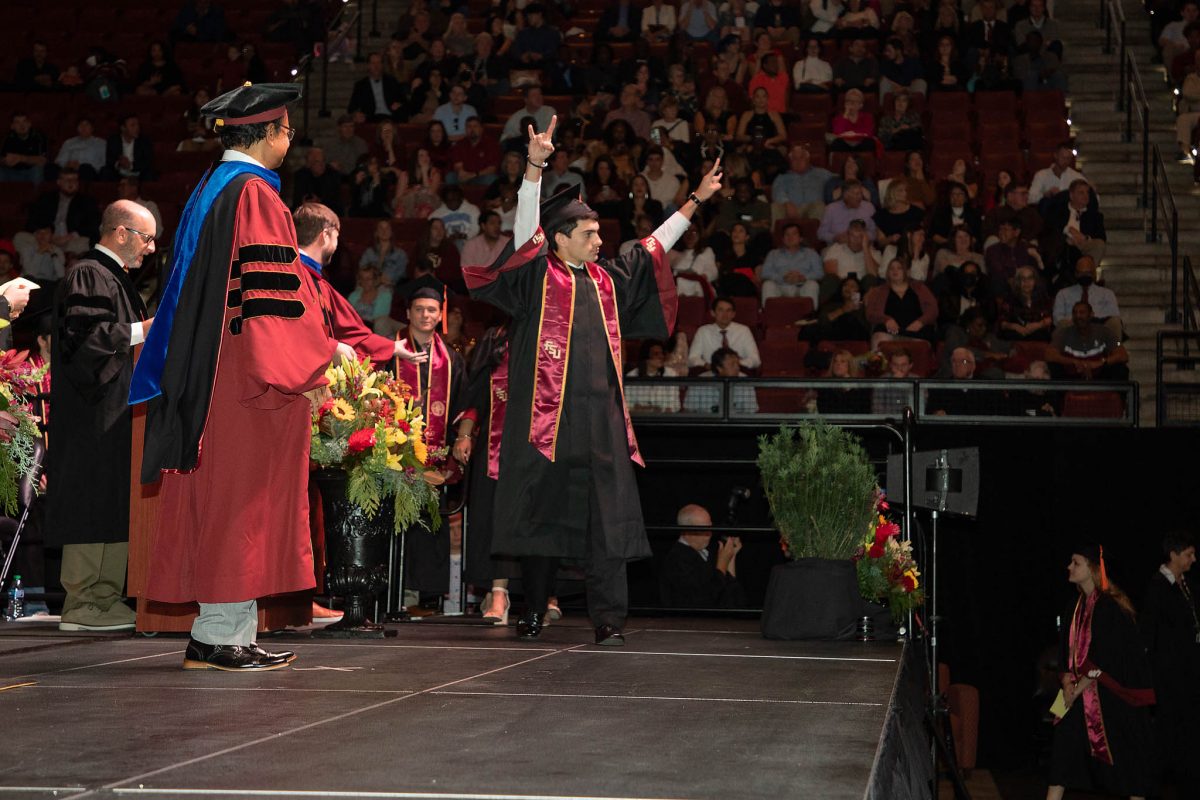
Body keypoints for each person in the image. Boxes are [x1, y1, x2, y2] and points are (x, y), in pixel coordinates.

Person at [462, 115, 723, 645]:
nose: (599, 239)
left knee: (608, 526)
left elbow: (652, 247)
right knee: (540, 523)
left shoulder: (608, 280)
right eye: (588, 233)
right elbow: (524, 232)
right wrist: (535, 166)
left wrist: (694, 200)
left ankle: (609, 619)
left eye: (599, 232)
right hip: (545, 424)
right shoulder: (538, 275)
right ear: (558, 240)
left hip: (601, 423)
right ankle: (533, 609)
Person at [132, 83, 337, 672]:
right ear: (268, 133)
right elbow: (270, 299)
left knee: (224, 501)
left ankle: (222, 632)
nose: (290, 139)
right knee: (238, 504)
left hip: (213, 371)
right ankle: (221, 636)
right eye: (288, 129)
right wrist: (311, 362)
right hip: (247, 379)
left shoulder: (211, 188)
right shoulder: (254, 196)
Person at [47, 201, 156, 633]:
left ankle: (106, 598)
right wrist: (144, 330)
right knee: (93, 500)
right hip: (91, 414)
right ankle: (82, 602)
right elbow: (84, 340)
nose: (150, 249)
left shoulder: (117, 279)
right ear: (121, 232)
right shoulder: (88, 274)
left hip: (117, 411)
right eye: (146, 238)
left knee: (114, 500)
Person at [1047, 544, 1158, 800]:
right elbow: (1065, 652)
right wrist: (1066, 683)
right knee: (1061, 750)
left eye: (1075, 562)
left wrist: (1076, 691)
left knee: (1128, 760)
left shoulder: (1109, 608)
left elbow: (1105, 658)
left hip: (1109, 694)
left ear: (1092, 568)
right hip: (1074, 689)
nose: (1069, 567)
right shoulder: (1073, 607)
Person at [393, 287, 468, 612]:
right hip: (392, 458)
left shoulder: (451, 360)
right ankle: (394, 590)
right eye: (419, 309)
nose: (426, 315)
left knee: (429, 521)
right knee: (394, 523)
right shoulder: (390, 352)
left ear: (440, 315)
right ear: (408, 313)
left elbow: (465, 405)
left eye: (432, 310)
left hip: (435, 458)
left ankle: (426, 594)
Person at [1139, 531, 1200, 797]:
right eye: (1188, 554)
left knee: (1186, 734)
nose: (1193, 559)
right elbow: (1149, 636)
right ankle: (1149, 786)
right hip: (1169, 680)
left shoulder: (1185, 585)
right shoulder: (1157, 587)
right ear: (1173, 555)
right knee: (1168, 735)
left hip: (1187, 677)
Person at [660, 504, 746, 608]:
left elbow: (733, 600)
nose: (709, 533)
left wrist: (731, 557)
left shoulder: (709, 551)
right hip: (689, 623)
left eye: (710, 527)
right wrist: (721, 566)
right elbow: (703, 601)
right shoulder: (676, 559)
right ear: (686, 532)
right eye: (703, 528)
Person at [1045, 301, 1130, 381]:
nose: (1078, 316)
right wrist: (1074, 362)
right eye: (1075, 313)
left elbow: (1122, 354)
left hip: (1099, 373)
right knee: (1053, 367)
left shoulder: (1106, 332)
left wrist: (1099, 363)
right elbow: (1049, 354)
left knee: (1120, 369)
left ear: (1091, 315)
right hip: (1071, 374)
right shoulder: (1063, 333)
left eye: (1082, 312)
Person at [865, 258, 938, 349]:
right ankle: (877, 363)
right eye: (891, 268)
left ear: (906, 272)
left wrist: (920, 322)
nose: (895, 271)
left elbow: (933, 309)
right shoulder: (878, 291)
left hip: (917, 330)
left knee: (925, 341)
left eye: (899, 268)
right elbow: (870, 313)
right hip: (890, 331)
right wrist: (886, 319)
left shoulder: (919, 287)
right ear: (887, 272)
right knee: (878, 337)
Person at [1052, 256, 1122, 342]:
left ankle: (1115, 352)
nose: (1084, 276)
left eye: (1088, 273)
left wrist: (1091, 320)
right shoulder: (1063, 294)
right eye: (1081, 273)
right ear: (1076, 273)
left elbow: (1114, 315)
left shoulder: (1107, 294)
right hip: (1072, 327)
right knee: (1062, 324)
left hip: (1098, 327)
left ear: (1094, 273)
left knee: (1115, 322)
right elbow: (1057, 318)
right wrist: (1079, 320)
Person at [689, 295, 761, 369]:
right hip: (710, 373)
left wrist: (734, 364)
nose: (725, 314)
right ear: (712, 313)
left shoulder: (743, 330)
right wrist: (706, 365)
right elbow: (692, 359)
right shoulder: (703, 331)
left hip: (737, 374)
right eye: (720, 310)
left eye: (728, 310)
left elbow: (756, 360)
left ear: (733, 314)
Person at [760, 222, 822, 305]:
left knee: (812, 285)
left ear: (800, 238)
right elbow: (765, 273)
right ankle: (769, 315)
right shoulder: (773, 254)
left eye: (794, 234)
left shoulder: (811, 253)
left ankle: (810, 316)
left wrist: (803, 278)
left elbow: (819, 273)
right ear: (782, 239)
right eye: (787, 234)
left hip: (802, 286)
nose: (790, 237)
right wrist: (782, 277)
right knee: (767, 285)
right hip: (780, 286)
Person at [683, 347, 759, 413]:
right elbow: (689, 410)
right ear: (719, 368)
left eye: (738, 364)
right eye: (732, 364)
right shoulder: (700, 382)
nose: (737, 368)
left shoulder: (745, 381)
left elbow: (751, 412)